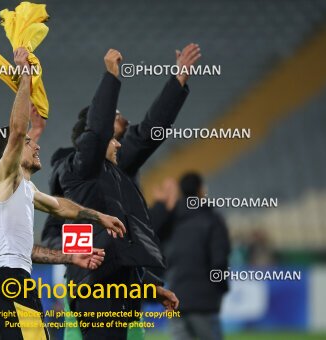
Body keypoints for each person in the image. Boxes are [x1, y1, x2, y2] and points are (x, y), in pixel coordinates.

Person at [42, 45, 201, 339]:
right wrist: (112, 77)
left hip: (109, 280)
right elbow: (141, 132)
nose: (122, 137)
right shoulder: (84, 167)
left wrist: (149, 285)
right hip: (92, 282)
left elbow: (112, 244)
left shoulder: (101, 172)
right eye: (115, 126)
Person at [0, 47, 126, 340]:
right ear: (11, 153)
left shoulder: (23, 188)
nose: (37, 146)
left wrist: (96, 222)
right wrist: (25, 75)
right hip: (9, 283)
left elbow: (60, 207)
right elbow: (17, 129)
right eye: (29, 143)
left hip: (19, 282)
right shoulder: (3, 177)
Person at [151, 173, 231, 340]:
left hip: (175, 297)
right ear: (201, 190)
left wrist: (161, 204)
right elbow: (219, 260)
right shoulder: (212, 220)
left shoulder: (172, 219)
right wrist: (220, 288)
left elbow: (150, 235)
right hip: (204, 300)